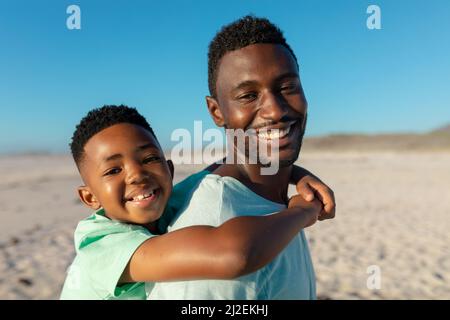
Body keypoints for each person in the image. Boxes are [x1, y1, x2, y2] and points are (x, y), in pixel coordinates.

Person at [147, 15, 335, 300]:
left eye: (287, 88)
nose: (275, 110)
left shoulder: (278, 195)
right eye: (248, 95)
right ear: (216, 112)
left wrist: (296, 174)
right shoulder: (217, 217)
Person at [60, 105, 330, 299]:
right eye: (113, 170)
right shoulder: (99, 244)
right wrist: (303, 212)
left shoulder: (166, 198)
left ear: (170, 169)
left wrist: (296, 174)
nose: (137, 175)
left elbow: (233, 163)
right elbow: (235, 255)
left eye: (149, 159)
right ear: (90, 197)